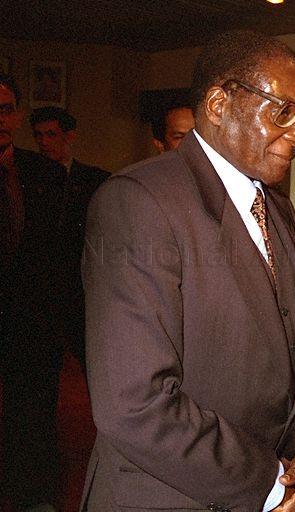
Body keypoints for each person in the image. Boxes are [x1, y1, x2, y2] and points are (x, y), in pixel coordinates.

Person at [80, 30, 295, 512]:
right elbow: (134, 404)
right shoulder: (139, 201)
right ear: (218, 104)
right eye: (282, 113)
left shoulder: (275, 204)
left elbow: (288, 354)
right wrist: (270, 480)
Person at [1, 74, 67, 512]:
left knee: (32, 423)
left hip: (31, 328)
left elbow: (58, 254)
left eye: (5, 108)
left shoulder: (43, 173)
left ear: (18, 115)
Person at [30, 106, 110, 368]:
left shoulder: (94, 180)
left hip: (80, 286)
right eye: (38, 135)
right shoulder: (26, 178)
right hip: (39, 288)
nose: (43, 142)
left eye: (51, 135)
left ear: (69, 136)